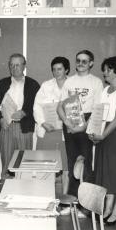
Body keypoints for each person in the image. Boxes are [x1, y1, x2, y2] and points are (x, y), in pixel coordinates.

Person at [89, 56, 116, 225]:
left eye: (107, 69)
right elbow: (97, 113)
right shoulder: (105, 91)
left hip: (115, 135)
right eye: (104, 69)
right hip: (102, 133)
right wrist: (93, 131)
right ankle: (107, 208)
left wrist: (103, 135)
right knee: (106, 173)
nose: (104, 73)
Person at [57, 50, 103, 198]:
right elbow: (60, 106)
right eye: (78, 60)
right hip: (70, 121)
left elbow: (97, 109)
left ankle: (85, 205)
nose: (80, 64)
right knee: (72, 164)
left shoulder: (96, 82)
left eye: (84, 61)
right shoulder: (69, 81)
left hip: (87, 122)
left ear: (91, 63)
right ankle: (72, 201)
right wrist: (67, 122)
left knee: (85, 163)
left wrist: (85, 126)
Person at [0, 53, 40, 178]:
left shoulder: (33, 84)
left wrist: (24, 112)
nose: (14, 68)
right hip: (6, 127)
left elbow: (38, 106)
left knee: (24, 163)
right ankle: (5, 192)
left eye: (17, 65)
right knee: (7, 164)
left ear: (24, 66)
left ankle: (23, 193)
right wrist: (0, 119)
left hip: (24, 128)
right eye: (11, 65)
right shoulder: (2, 83)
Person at [33, 57, 70, 194]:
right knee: (46, 167)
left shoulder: (73, 85)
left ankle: (65, 199)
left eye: (59, 69)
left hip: (65, 133)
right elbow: (36, 107)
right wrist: (43, 123)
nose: (56, 72)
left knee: (66, 168)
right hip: (48, 132)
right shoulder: (46, 86)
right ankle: (46, 197)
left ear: (66, 69)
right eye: (54, 69)